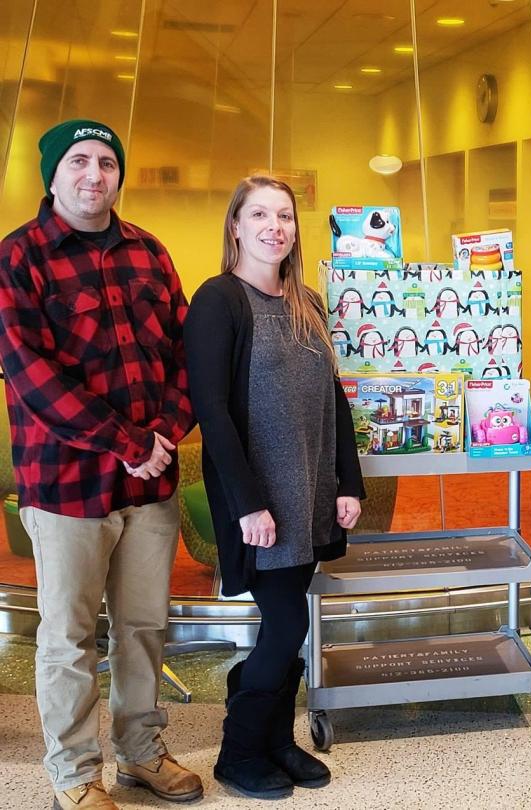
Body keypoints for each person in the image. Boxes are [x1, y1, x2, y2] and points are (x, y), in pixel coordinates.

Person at [0, 119, 202, 809]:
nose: (94, 175)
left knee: (145, 627)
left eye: (107, 163)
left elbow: (186, 355)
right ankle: (75, 774)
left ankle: (141, 753)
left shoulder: (149, 251)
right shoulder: (18, 257)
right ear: (52, 175)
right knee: (68, 637)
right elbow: (31, 375)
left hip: (151, 483)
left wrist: (166, 434)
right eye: (79, 161)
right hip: (65, 488)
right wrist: (129, 443)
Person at [185, 175, 364, 800]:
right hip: (259, 500)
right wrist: (248, 503)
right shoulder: (218, 300)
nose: (273, 227)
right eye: (258, 214)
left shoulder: (306, 301)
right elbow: (213, 410)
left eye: (284, 216)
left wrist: (348, 480)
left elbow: (333, 399)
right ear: (235, 224)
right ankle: (240, 752)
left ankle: (276, 742)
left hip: (310, 492)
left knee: (289, 623)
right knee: (287, 624)